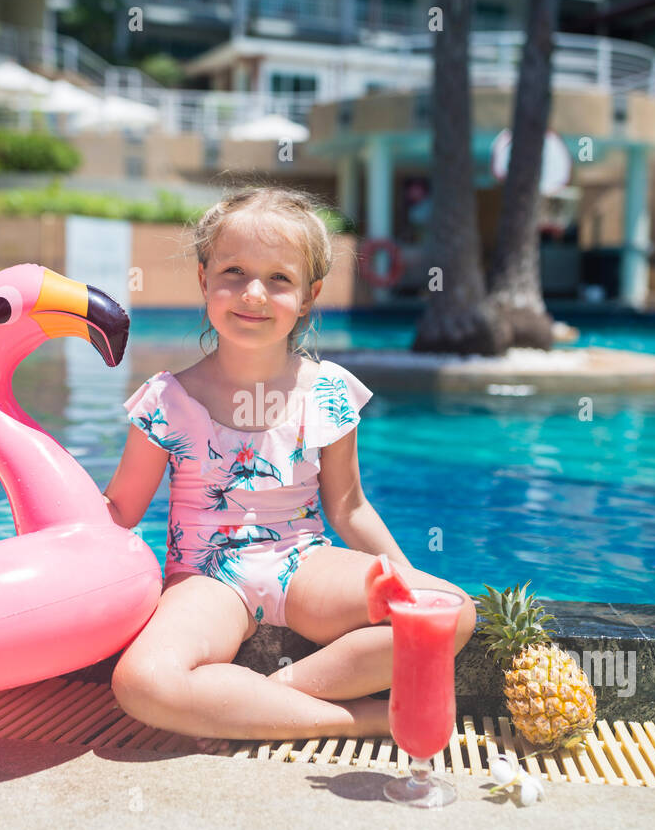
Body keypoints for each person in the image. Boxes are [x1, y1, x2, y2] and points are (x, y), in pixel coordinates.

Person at [102, 186, 477, 745]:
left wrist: (404, 576)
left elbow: (348, 507)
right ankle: (359, 720)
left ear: (308, 296)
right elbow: (120, 512)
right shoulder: (167, 401)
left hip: (301, 564)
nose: (253, 293)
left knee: (451, 612)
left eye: (279, 278)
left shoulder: (327, 392)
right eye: (233, 270)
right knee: (141, 682)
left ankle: (266, 702)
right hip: (206, 577)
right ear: (204, 281)